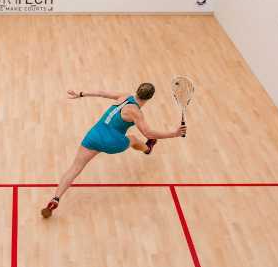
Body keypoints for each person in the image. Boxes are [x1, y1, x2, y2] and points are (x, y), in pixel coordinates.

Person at [41, 83, 186, 218]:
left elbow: (101, 92)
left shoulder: (125, 96)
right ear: (149, 98)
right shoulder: (136, 112)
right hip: (112, 142)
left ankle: (55, 199)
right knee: (133, 139)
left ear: (137, 91)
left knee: (75, 168)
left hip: (94, 136)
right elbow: (148, 133)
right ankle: (148, 148)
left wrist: (80, 94)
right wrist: (174, 134)